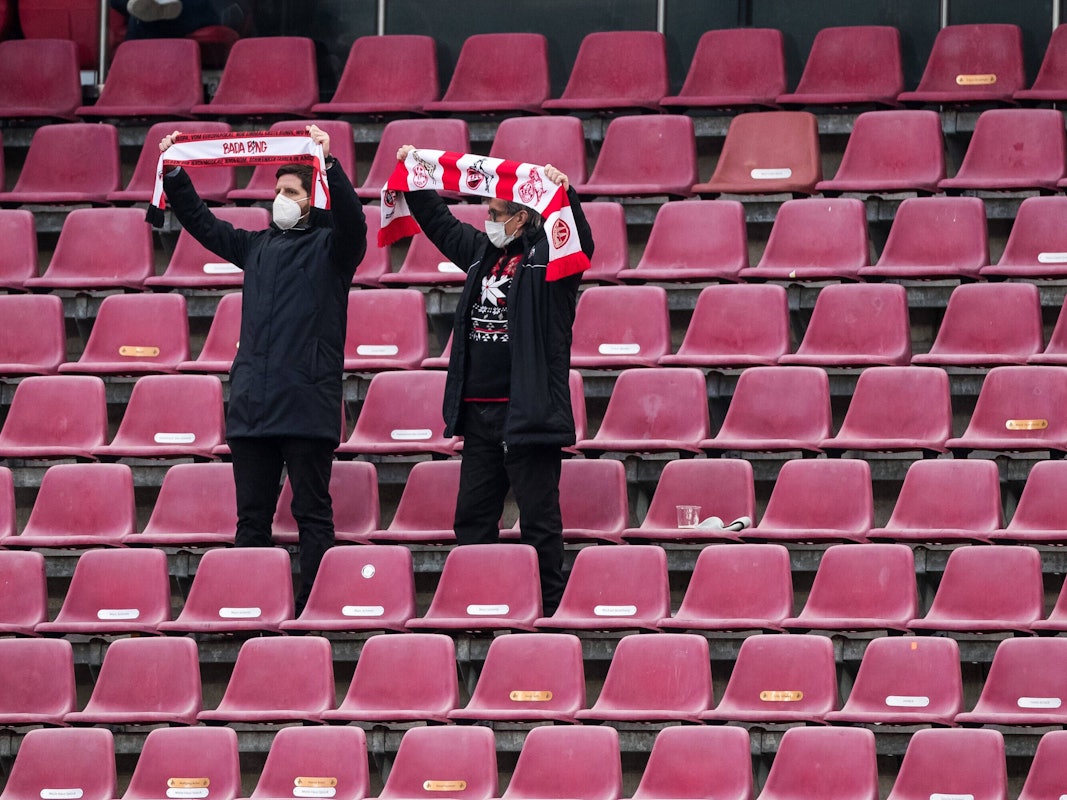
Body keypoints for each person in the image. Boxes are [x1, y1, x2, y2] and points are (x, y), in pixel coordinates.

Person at [159, 124, 366, 613]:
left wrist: (329, 166)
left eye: (290, 192)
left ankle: (315, 610)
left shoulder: (334, 250)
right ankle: (251, 608)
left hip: (306, 404)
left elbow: (354, 223)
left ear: (312, 198)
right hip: (253, 406)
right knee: (251, 520)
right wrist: (174, 175)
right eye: (277, 192)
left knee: (311, 514)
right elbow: (202, 223)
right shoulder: (256, 246)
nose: (280, 200)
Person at [394, 144, 594, 615]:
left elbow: (580, 242)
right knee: (472, 519)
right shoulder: (481, 254)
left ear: (522, 219)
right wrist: (415, 174)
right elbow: (439, 223)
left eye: (496, 213)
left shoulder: (551, 262)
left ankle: (550, 612)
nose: (488, 220)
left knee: (539, 524)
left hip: (528, 417)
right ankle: (476, 603)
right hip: (479, 415)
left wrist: (566, 196)